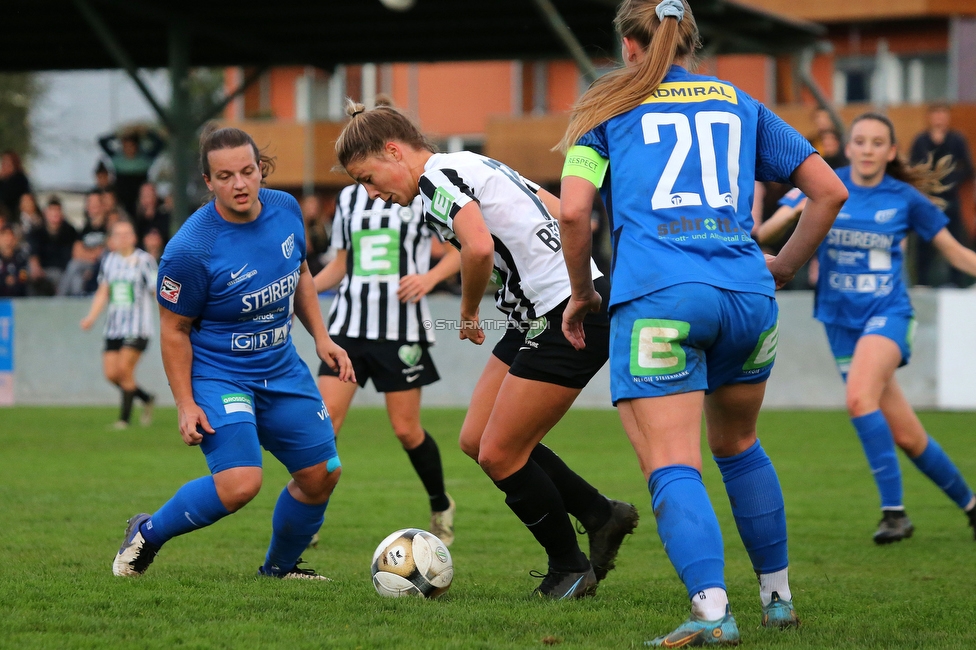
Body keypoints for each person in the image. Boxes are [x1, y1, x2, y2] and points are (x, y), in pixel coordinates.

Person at [555, 0, 847, 644]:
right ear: (690, 40)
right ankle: (777, 598)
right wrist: (785, 266)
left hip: (660, 296)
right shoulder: (739, 102)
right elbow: (829, 191)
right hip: (747, 296)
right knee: (740, 446)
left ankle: (713, 613)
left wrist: (580, 293)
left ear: (630, 47)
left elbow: (574, 214)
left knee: (672, 461)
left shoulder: (605, 105)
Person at [334, 100, 640, 600]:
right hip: (538, 313)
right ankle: (600, 514)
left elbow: (476, 248)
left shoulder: (435, 179)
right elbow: (562, 210)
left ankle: (569, 567)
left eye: (369, 178)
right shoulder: (476, 163)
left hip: (564, 312)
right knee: (477, 438)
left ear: (393, 151)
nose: (374, 194)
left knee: (500, 453)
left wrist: (471, 310)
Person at [110, 126, 353, 581]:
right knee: (241, 483)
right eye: (225, 176)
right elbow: (174, 329)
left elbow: (299, 273)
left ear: (260, 169)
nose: (239, 184)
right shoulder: (191, 248)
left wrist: (321, 338)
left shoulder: (285, 209)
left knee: (322, 474)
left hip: (282, 369)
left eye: (247, 171)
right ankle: (146, 532)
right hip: (220, 377)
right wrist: (185, 403)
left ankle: (279, 571)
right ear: (208, 181)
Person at [757, 112, 976, 546]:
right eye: (861, 141)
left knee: (858, 399)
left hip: (888, 313)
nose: (869, 149)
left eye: (878, 142)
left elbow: (955, 252)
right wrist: (792, 213)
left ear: (891, 151)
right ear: (849, 147)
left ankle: (894, 513)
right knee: (909, 436)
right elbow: (764, 231)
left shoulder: (906, 198)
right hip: (838, 320)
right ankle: (972, 506)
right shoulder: (824, 184)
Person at [312, 182, 461, 544]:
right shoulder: (346, 197)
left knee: (406, 431)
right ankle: (307, 516)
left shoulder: (419, 191)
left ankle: (441, 505)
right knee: (322, 424)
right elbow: (342, 265)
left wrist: (430, 277)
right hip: (347, 328)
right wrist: (302, 292)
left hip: (402, 330)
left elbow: (465, 247)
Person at [80, 220, 158, 428]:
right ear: (112, 240)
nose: (123, 238)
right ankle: (146, 397)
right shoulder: (109, 261)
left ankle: (124, 420)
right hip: (114, 327)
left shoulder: (145, 260)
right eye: (118, 234)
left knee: (125, 369)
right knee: (111, 374)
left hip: (138, 327)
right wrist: (91, 317)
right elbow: (103, 291)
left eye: (127, 233)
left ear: (134, 237)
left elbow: (156, 290)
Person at [910, 103, 976, 287]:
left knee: (955, 241)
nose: (939, 118)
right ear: (930, 117)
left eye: (942, 114)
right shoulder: (921, 140)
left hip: (951, 201)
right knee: (924, 243)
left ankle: (958, 283)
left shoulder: (957, 140)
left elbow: (968, 168)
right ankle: (922, 283)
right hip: (927, 201)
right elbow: (913, 168)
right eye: (936, 114)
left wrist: (951, 180)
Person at [99, 127, 166, 218]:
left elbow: (160, 144)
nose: (128, 149)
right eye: (125, 146)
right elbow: (102, 141)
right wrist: (118, 133)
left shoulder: (144, 159)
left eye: (131, 146)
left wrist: (146, 132)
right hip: (121, 197)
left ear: (136, 147)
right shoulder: (118, 159)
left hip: (139, 200)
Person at [59, 190, 109, 296]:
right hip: (84, 266)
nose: (92, 206)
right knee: (76, 279)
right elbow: (76, 253)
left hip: (102, 267)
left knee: (74, 265)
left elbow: (103, 253)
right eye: (90, 203)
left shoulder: (109, 226)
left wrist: (88, 254)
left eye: (95, 203)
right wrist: (93, 254)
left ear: (102, 205)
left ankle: (59, 299)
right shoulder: (85, 229)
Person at [27, 196, 77, 296]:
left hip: (63, 272)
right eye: (52, 211)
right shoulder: (37, 231)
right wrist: (36, 269)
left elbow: (75, 253)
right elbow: (33, 254)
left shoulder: (70, 231)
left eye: (57, 210)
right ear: (46, 212)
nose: (55, 214)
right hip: (43, 271)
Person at [0, 151, 31, 219]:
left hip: (15, 215)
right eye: (3, 163)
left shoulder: (20, 180)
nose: (5, 166)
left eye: (8, 163)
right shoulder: (2, 181)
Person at [0, 225, 29, 297]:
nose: (8, 239)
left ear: (15, 239)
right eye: (4, 236)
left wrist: (15, 280)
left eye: (10, 236)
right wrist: (4, 280)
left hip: (18, 296)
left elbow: (24, 275)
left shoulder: (21, 258)